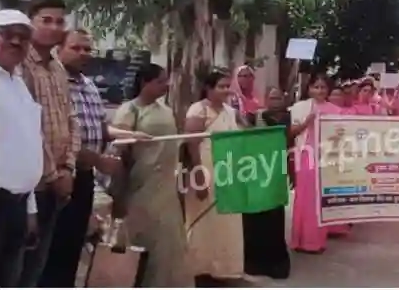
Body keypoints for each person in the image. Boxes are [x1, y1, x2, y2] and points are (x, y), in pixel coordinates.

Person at [39, 29, 148, 287]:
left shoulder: (89, 86)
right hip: (58, 176)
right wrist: (99, 161)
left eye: (88, 49)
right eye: (76, 48)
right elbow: (58, 137)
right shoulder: (53, 84)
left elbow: (100, 129)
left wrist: (131, 134)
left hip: (85, 180)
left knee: (73, 246)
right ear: (59, 48)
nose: (83, 54)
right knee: (50, 250)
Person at [17, 0, 81, 287]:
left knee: (39, 266)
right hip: (29, 187)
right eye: (46, 20)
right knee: (16, 266)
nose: (54, 27)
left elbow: (72, 120)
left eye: (59, 21)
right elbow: (28, 128)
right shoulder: (19, 67)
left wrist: (68, 167)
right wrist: (54, 174)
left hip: (59, 182)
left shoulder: (57, 68)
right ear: (29, 22)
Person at [112, 64, 193, 287]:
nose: (166, 85)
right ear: (144, 83)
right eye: (160, 81)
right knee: (143, 242)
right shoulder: (129, 111)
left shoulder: (166, 110)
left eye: (167, 81)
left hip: (166, 188)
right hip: (140, 190)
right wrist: (119, 196)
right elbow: (120, 156)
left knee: (169, 244)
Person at [183, 70, 248, 286]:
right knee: (203, 220)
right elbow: (192, 145)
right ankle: (199, 268)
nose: (226, 90)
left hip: (230, 173)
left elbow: (248, 133)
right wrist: (199, 175)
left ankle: (225, 268)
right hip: (206, 169)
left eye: (228, 86)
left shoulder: (232, 111)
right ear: (208, 89)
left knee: (228, 222)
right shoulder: (198, 110)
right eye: (221, 86)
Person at [0, 10, 44, 287]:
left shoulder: (19, 86)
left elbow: (26, 148)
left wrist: (30, 210)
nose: (16, 42)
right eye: (7, 34)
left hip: (15, 206)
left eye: (23, 37)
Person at [243, 87, 293, 279]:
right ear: (265, 99)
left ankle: (275, 264)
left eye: (278, 98)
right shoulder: (254, 117)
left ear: (283, 99)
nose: (274, 101)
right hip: (255, 170)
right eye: (271, 97)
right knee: (255, 214)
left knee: (274, 214)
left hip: (276, 170)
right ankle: (254, 262)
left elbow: (289, 141)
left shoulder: (288, 118)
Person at [289, 73, 342, 253]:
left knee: (319, 198)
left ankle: (315, 242)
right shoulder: (299, 107)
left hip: (325, 157)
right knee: (303, 197)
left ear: (328, 90)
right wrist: (307, 122)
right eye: (316, 87)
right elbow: (292, 132)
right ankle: (299, 240)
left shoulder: (335, 110)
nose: (319, 91)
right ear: (309, 88)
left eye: (323, 87)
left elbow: (341, 137)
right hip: (305, 154)